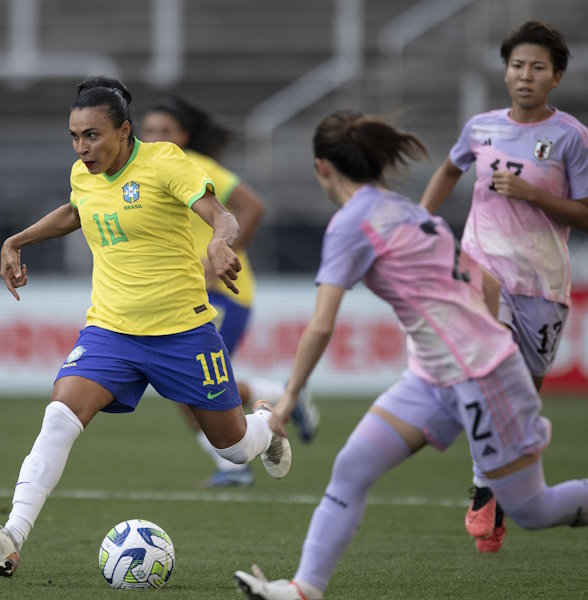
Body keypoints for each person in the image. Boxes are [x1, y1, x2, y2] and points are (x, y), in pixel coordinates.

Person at [233, 110, 587, 600]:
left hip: (483, 375)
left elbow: (321, 324)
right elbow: (484, 281)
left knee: (532, 509)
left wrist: (289, 397)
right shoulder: (406, 210)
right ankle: (304, 588)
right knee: (353, 466)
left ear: (321, 168)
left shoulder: (349, 224)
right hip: (436, 375)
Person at [0, 76, 293, 577]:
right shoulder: (82, 172)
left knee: (233, 447)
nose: (82, 147)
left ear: (124, 130)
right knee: (58, 418)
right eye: (74, 136)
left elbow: (222, 215)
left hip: (183, 331)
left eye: (92, 135)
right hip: (110, 331)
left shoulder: (164, 162)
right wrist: (18, 240)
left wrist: (221, 241)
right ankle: (12, 535)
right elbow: (78, 211)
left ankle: (267, 424)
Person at [420, 21, 588, 553]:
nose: (525, 75)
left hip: (543, 282)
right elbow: (449, 169)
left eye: (538, 67)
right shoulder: (481, 128)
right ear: (506, 70)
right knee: (484, 376)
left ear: (556, 77)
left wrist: (531, 193)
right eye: (517, 65)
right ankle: (482, 485)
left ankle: (495, 492)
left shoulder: (571, 137)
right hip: (483, 269)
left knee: (523, 404)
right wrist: (421, 224)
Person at [141, 96, 319, 488]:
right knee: (186, 385)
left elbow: (252, 206)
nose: (155, 138)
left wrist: (219, 257)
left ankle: (274, 407)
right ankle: (269, 416)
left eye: (165, 130)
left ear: (184, 136)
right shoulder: (149, 172)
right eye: (149, 130)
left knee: (191, 380)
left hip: (224, 292)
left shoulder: (194, 166)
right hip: (186, 296)